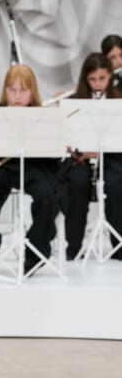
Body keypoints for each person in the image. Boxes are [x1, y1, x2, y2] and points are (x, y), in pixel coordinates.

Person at [0, 64, 60, 273]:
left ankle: (36, 251)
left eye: (23, 90)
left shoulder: (43, 115)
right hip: (1, 166)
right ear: (5, 90)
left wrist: (59, 144)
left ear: (32, 91)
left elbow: (53, 158)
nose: (17, 96)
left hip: (33, 167)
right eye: (12, 90)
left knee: (47, 197)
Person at [64, 52, 122, 260]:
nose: (98, 84)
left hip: (112, 157)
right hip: (82, 159)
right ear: (85, 79)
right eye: (92, 79)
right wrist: (75, 149)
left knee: (115, 185)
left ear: (110, 76)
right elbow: (66, 136)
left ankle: (119, 245)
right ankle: (74, 247)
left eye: (102, 78)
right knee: (77, 183)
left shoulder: (118, 101)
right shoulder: (75, 102)